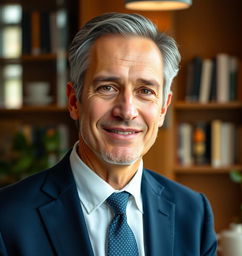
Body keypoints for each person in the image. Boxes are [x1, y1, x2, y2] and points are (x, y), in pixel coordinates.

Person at [0, 12, 217, 256]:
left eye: (145, 90)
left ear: (163, 108)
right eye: (107, 87)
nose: (126, 111)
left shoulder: (193, 213)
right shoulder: (7, 217)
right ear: (74, 101)